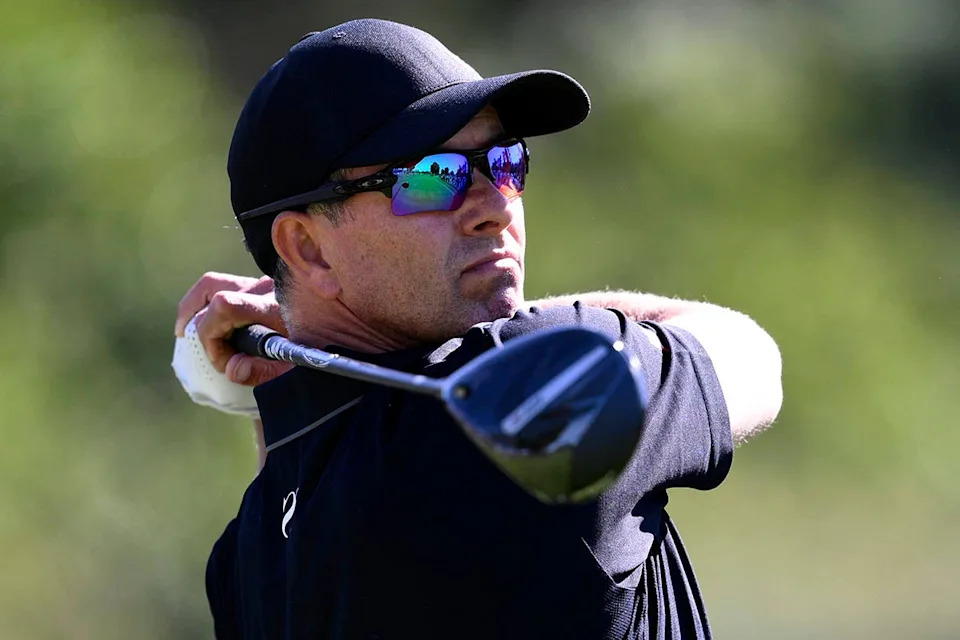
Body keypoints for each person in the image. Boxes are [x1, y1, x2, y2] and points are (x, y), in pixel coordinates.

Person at [175, 18, 783, 639]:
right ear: (307, 249)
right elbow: (749, 354)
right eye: (433, 175)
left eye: (505, 161)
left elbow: (307, 473)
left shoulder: (249, 557)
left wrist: (283, 368)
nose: (494, 206)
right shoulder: (537, 398)